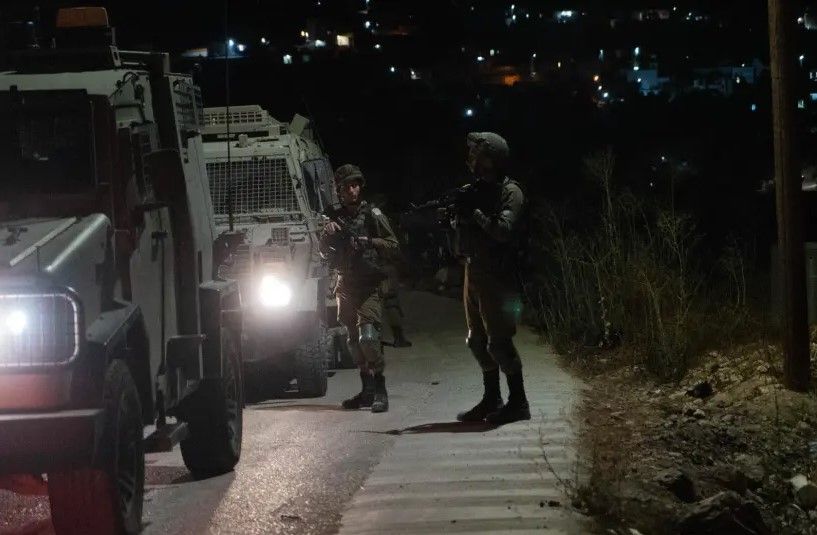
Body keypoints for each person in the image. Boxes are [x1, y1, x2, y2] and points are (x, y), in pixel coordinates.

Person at [454, 132, 531, 425]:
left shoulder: (511, 192)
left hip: (499, 275)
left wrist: (474, 213)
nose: (471, 159)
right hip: (474, 271)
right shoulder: (475, 190)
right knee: (477, 341)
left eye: (477, 154)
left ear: (492, 159)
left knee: (499, 343)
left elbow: (503, 230)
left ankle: (518, 403)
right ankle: (492, 398)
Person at [320, 164, 399, 413]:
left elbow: (394, 245)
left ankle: (380, 390)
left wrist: (370, 242)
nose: (352, 191)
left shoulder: (373, 214)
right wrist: (326, 234)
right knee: (353, 341)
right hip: (346, 284)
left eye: (355, 185)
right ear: (339, 190)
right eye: (347, 187)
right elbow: (323, 253)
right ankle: (366, 391)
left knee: (368, 337)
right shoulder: (333, 218)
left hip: (369, 284)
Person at [383, 262, 412, 347]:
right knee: (395, 319)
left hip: (391, 298)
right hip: (389, 299)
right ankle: (399, 340)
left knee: (396, 319)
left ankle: (399, 339)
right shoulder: (388, 274)